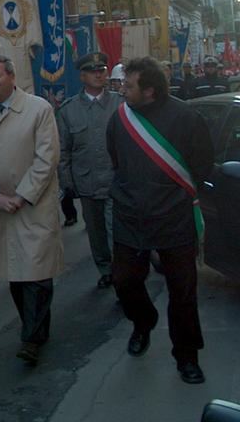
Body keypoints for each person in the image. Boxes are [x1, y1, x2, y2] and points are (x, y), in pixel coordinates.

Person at [106, 57, 214, 384]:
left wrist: (175, 196)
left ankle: (187, 356)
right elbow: (116, 159)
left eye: (128, 86)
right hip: (130, 217)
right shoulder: (120, 119)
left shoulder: (186, 118)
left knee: (182, 292)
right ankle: (143, 321)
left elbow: (202, 164)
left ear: (149, 91)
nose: (122, 90)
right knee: (124, 281)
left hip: (174, 219)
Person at [0, 55, 63, 367]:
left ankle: (31, 338)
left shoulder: (38, 109)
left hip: (34, 206)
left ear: (11, 76)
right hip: (2, 210)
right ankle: (35, 327)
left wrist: (22, 195)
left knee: (37, 271)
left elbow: (46, 158)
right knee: (16, 276)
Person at [57, 52, 121, 289]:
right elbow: (63, 151)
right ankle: (105, 268)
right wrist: (67, 183)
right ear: (82, 76)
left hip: (116, 181)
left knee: (117, 230)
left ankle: (121, 271)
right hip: (87, 182)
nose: (99, 74)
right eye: (93, 71)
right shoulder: (68, 110)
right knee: (96, 232)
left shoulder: (120, 104)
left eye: (102, 70)